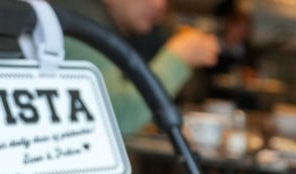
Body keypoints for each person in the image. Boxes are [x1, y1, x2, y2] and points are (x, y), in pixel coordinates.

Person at [61, 0, 219, 135]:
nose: (159, 4)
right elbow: (119, 116)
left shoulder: (133, 30)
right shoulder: (80, 23)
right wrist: (178, 57)